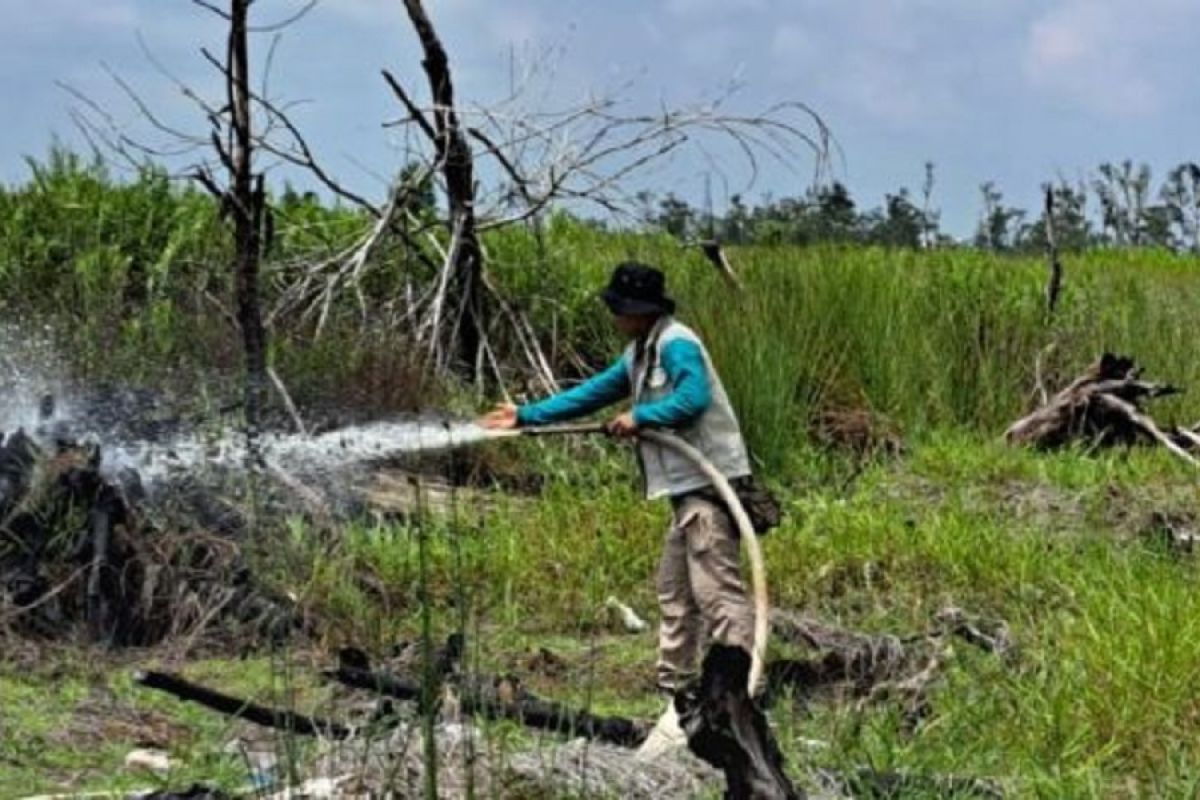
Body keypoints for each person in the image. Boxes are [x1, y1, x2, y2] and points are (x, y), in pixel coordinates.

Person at [481, 261, 757, 755]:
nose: (615, 317)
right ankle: (678, 698)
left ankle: (740, 692)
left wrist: (642, 416)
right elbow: (593, 393)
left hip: (711, 490)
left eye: (620, 310)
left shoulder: (677, 344)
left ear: (639, 311)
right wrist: (525, 416)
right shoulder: (640, 353)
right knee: (674, 594)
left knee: (717, 595)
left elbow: (693, 398)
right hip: (685, 493)